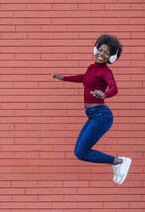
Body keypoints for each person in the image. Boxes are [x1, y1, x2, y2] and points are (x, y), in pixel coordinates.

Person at [52, 34, 131, 185]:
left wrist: (104, 94)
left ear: (111, 58)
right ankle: (117, 163)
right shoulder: (92, 68)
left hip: (101, 116)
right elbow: (83, 78)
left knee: (82, 152)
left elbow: (114, 89)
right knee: (78, 152)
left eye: (106, 53)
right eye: (100, 50)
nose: (102, 54)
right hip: (93, 116)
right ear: (95, 49)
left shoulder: (106, 72)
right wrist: (63, 78)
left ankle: (119, 162)